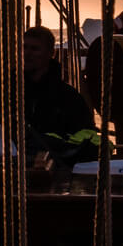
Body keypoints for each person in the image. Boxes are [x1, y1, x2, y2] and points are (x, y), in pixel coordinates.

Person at [21, 26, 96, 168]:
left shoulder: (69, 98)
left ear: (51, 53)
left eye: (34, 49)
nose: (27, 53)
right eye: (24, 47)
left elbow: (86, 140)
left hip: (57, 171)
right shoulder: (1, 92)